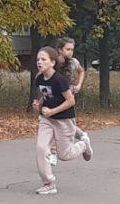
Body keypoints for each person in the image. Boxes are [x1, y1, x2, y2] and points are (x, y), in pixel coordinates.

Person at [32, 46, 92, 195]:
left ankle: (84, 145)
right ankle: (49, 183)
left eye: (43, 59)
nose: (39, 62)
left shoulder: (60, 80)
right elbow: (45, 95)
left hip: (64, 120)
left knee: (64, 155)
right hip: (46, 119)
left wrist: (53, 111)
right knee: (41, 148)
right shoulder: (39, 79)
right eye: (38, 59)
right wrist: (38, 104)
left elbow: (71, 101)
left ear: (52, 62)